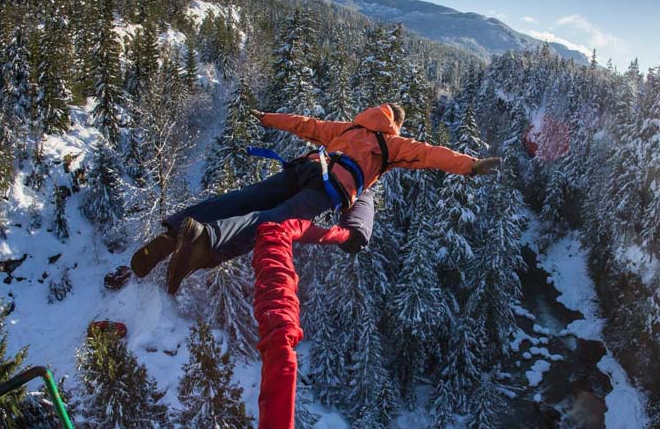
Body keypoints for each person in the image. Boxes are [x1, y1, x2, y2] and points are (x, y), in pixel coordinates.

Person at [130, 102, 501, 294]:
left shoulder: (346, 128)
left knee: (244, 198)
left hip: (305, 167)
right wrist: (470, 166)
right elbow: (431, 153)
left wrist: (267, 118)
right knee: (273, 221)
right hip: (332, 186)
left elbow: (304, 124)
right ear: (395, 125)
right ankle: (204, 243)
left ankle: (171, 235)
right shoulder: (393, 144)